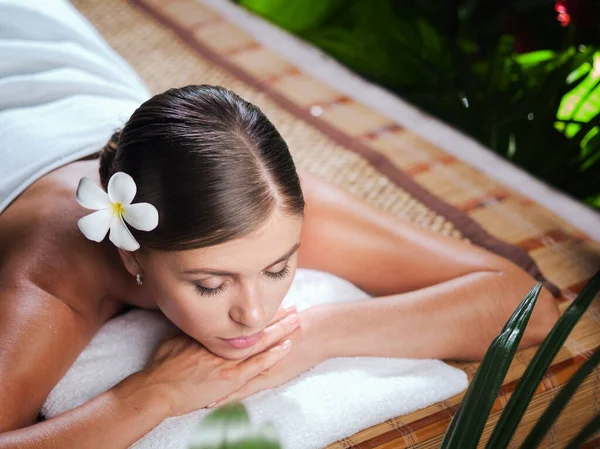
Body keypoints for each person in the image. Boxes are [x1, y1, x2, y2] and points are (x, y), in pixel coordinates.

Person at [0, 3, 560, 448]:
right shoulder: (54, 280)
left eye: (278, 269)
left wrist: (316, 337)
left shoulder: (265, 201)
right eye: (211, 284)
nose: (256, 313)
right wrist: (153, 394)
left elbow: (528, 304)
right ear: (131, 256)